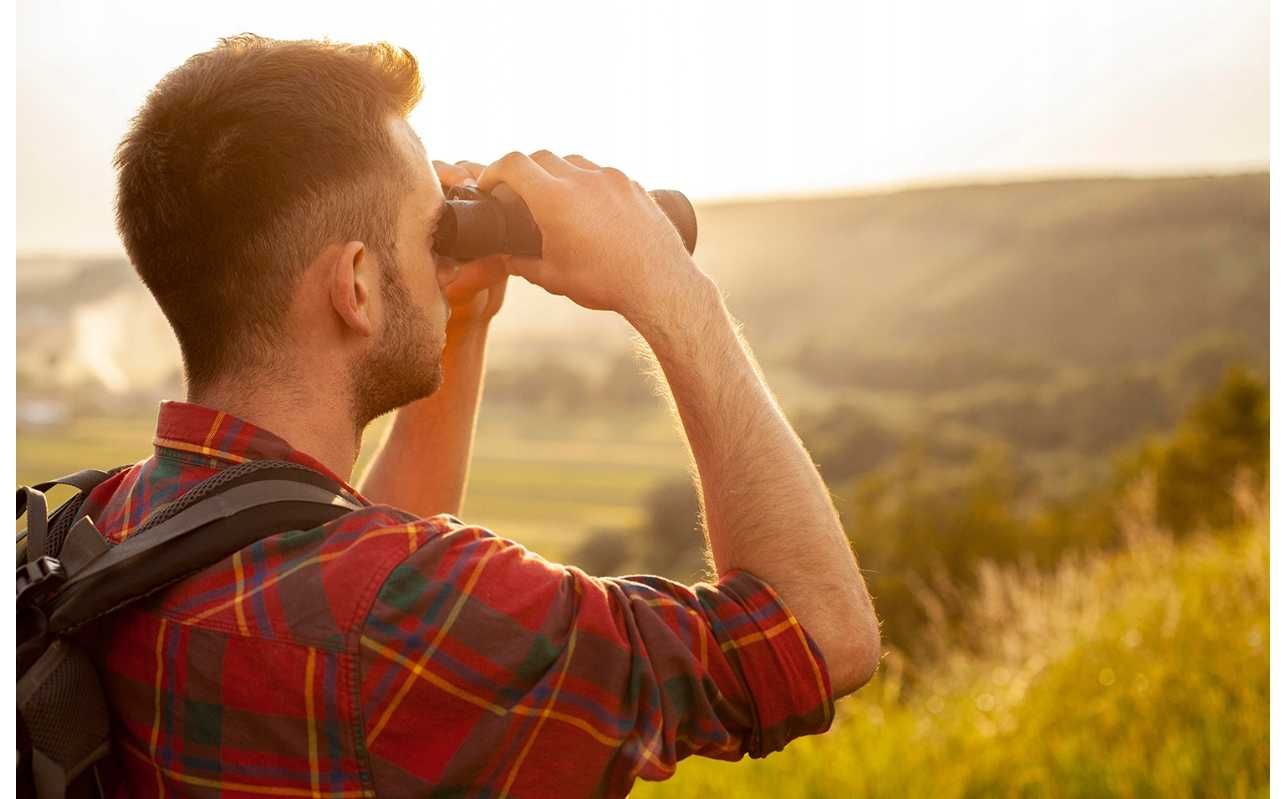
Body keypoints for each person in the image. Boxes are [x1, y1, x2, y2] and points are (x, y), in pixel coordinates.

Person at [81, 34, 881, 797]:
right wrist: (665, 283)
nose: (440, 254)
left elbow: (350, 561)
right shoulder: (406, 612)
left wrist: (457, 327)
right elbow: (819, 636)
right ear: (355, 285)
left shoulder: (99, 528)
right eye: (429, 229)